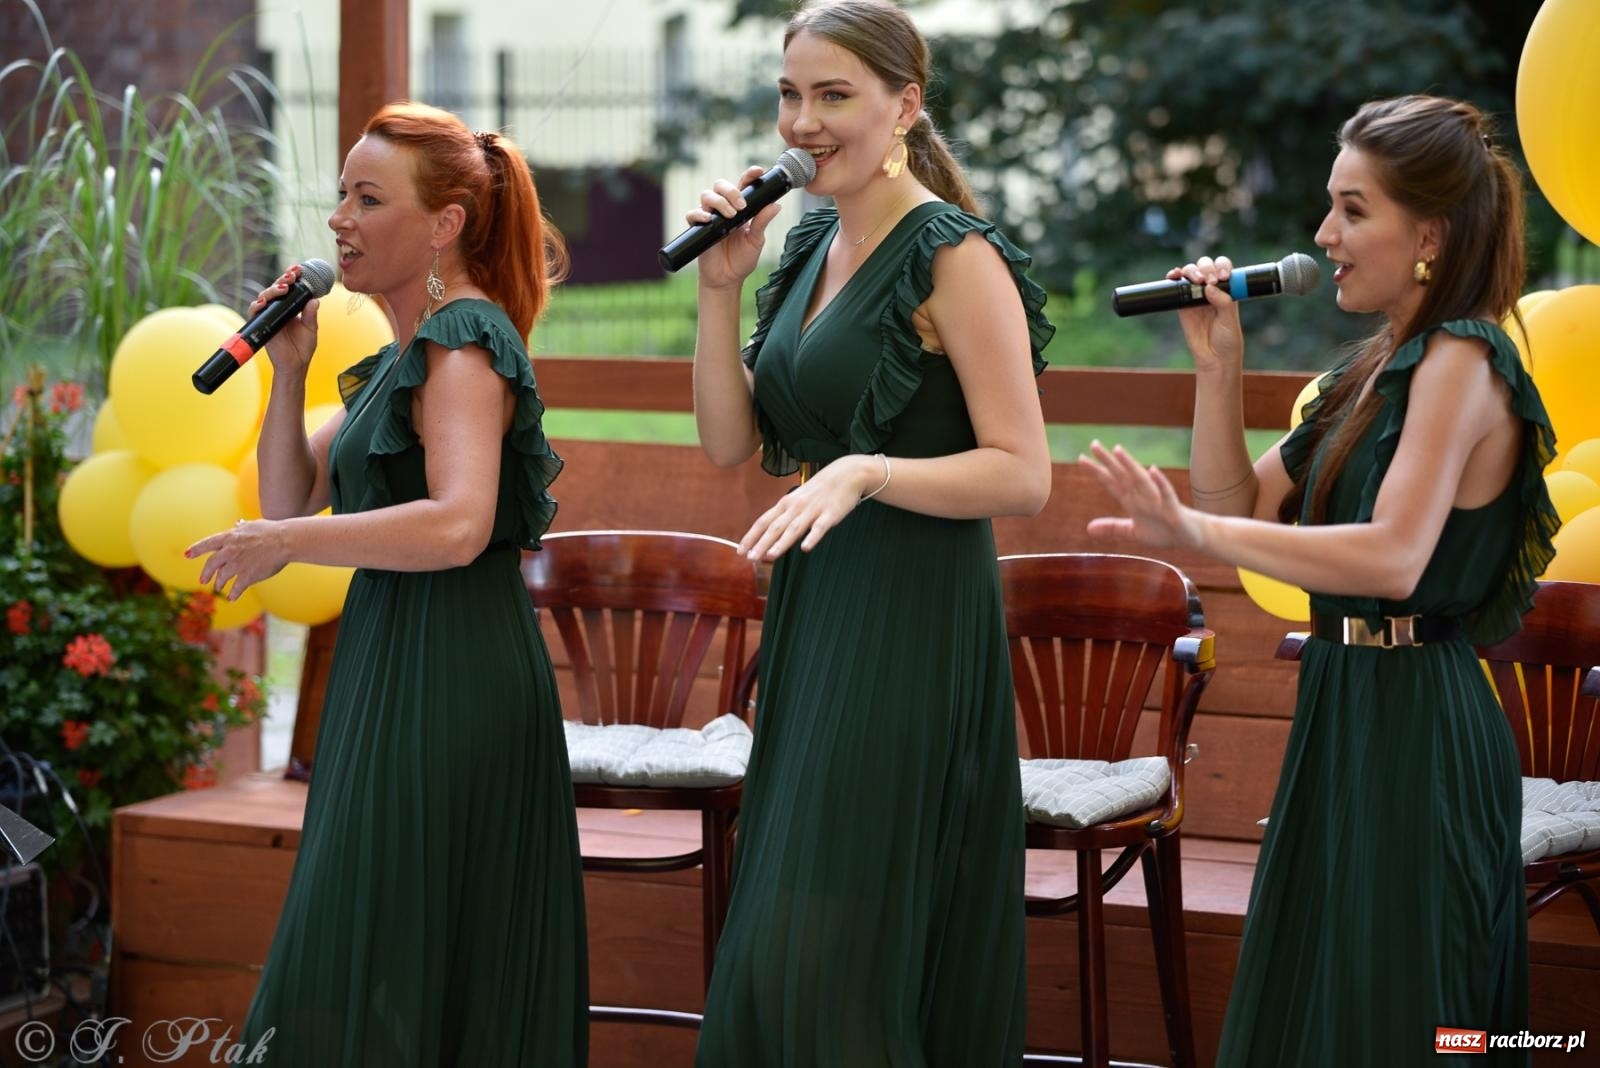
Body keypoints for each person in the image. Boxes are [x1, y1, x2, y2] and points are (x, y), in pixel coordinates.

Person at [1083, 95, 1559, 1067]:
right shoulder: (1370, 369)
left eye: (1351, 209)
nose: (1321, 235)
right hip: (1345, 707)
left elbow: (1394, 556)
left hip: (1420, 724)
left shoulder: (1462, 362)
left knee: (1407, 1013)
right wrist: (1219, 368)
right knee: (1322, 995)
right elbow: (1243, 508)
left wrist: (1188, 525)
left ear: (1428, 233)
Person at [684, 1, 1054, 1062]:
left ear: (905, 106)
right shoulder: (806, 241)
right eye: (789, 95)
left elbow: (1023, 473)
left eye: (833, 95)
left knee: (838, 928)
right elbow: (725, 443)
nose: (802, 122)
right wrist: (720, 291)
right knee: (799, 916)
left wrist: (866, 469)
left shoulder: (952, 253)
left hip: (911, 622)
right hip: (815, 614)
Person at [186, 102, 587, 1065]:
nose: (340, 220)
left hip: (453, 676)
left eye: (370, 199)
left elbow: (458, 523)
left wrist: (285, 542)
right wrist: (289, 370)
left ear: (445, 224)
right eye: (340, 196)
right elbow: (292, 492)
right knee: (369, 935)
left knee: (391, 936)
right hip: (386, 667)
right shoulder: (395, 359)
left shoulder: (463, 341)